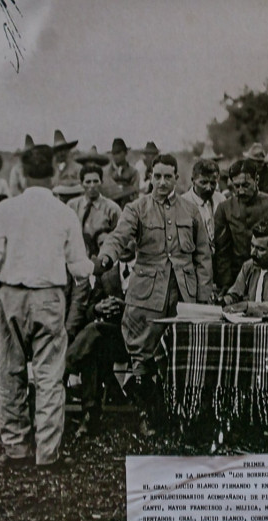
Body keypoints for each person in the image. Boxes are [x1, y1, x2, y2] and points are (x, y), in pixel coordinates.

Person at [0, 144, 93, 469]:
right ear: (54, 172)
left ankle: (15, 449)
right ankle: (48, 454)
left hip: (12, 295)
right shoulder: (65, 212)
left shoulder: (5, 210)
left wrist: (5, 265)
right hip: (49, 296)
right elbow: (80, 267)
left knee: (9, 372)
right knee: (49, 375)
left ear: (24, 175)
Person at [96, 153, 212, 437]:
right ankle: (148, 416)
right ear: (150, 177)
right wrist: (106, 258)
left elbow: (203, 256)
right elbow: (119, 236)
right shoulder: (136, 208)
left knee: (183, 354)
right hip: (147, 295)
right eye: (157, 176)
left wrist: (203, 297)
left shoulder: (190, 210)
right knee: (142, 355)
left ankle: (183, 417)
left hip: (183, 295)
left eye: (168, 177)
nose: (162, 182)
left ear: (177, 179)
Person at [66, 238, 135, 439]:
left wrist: (124, 307)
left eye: (128, 241)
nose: (122, 247)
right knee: (93, 346)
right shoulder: (108, 276)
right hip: (112, 340)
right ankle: (90, 415)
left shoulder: (146, 272)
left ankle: (65, 365)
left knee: (94, 333)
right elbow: (88, 310)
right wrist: (98, 308)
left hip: (137, 339)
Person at [213, 159, 268, 293]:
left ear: (257, 179)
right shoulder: (224, 208)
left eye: (246, 185)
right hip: (236, 280)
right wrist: (227, 285)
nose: (241, 191)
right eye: (236, 186)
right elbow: (222, 253)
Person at [66, 165, 122, 257]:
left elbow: (121, 236)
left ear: (101, 182)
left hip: (104, 259)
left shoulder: (112, 208)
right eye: (88, 182)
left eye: (96, 181)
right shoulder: (72, 206)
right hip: (78, 257)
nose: (92, 186)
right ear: (81, 184)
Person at [181, 159, 226, 251]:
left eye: (213, 183)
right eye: (203, 183)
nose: (209, 188)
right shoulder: (182, 203)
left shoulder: (221, 199)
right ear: (193, 181)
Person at [101, 138, 140, 207]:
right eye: (114, 154)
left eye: (118, 153)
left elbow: (135, 190)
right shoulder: (106, 172)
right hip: (109, 205)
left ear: (125, 153)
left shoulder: (133, 172)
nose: (115, 156)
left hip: (127, 205)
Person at [50, 129, 83, 198]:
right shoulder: (51, 170)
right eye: (58, 150)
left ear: (68, 150)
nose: (61, 153)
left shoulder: (78, 167)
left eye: (63, 149)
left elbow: (83, 185)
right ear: (55, 153)